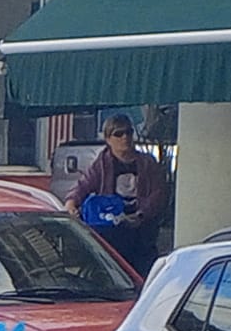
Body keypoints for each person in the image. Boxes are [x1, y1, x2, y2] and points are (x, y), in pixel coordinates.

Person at [67, 114, 169, 274]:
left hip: (141, 232)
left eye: (128, 132)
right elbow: (83, 186)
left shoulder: (147, 163)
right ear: (108, 139)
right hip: (111, 230)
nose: (125, 138)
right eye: (118, 134)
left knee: (144, 273)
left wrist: (141, 215)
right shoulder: (101, 164)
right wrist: (72, 203)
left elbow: (158, 195)